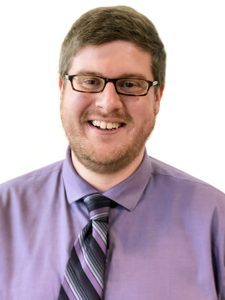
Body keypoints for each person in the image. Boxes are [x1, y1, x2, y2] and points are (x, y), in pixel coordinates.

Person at [0, 5, 225, 300]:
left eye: (130, 84)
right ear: (62, 89)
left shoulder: (215, 219)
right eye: (90, 81)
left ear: (157, 97)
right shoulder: (4, 213)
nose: (108, 103)